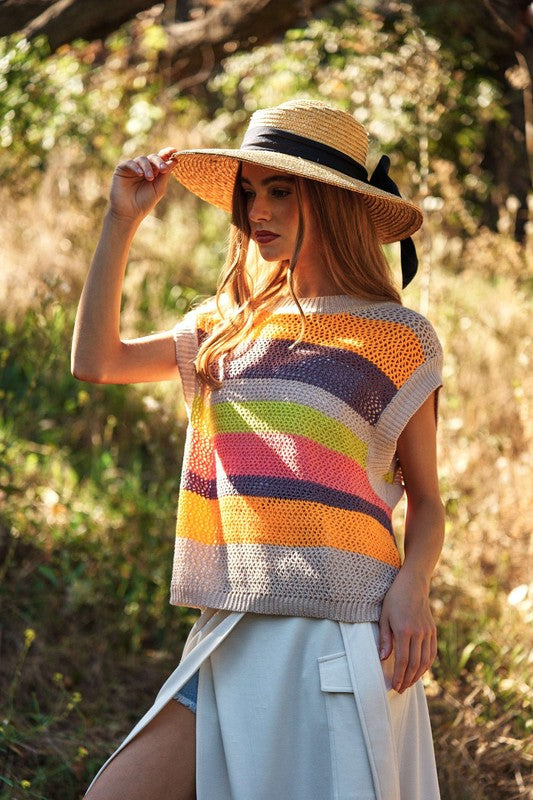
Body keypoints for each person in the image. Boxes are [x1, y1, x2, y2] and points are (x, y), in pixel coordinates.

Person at [72, 99, 445, 800]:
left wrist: (413, 590)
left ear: (331, 203)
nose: (257, 210)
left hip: (338, 635)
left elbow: (426, 502)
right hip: (232, 626)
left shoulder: (397, 338)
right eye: (248, 193)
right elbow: (97, 360)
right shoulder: (228, 324)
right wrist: (121, 222)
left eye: (280, 190)